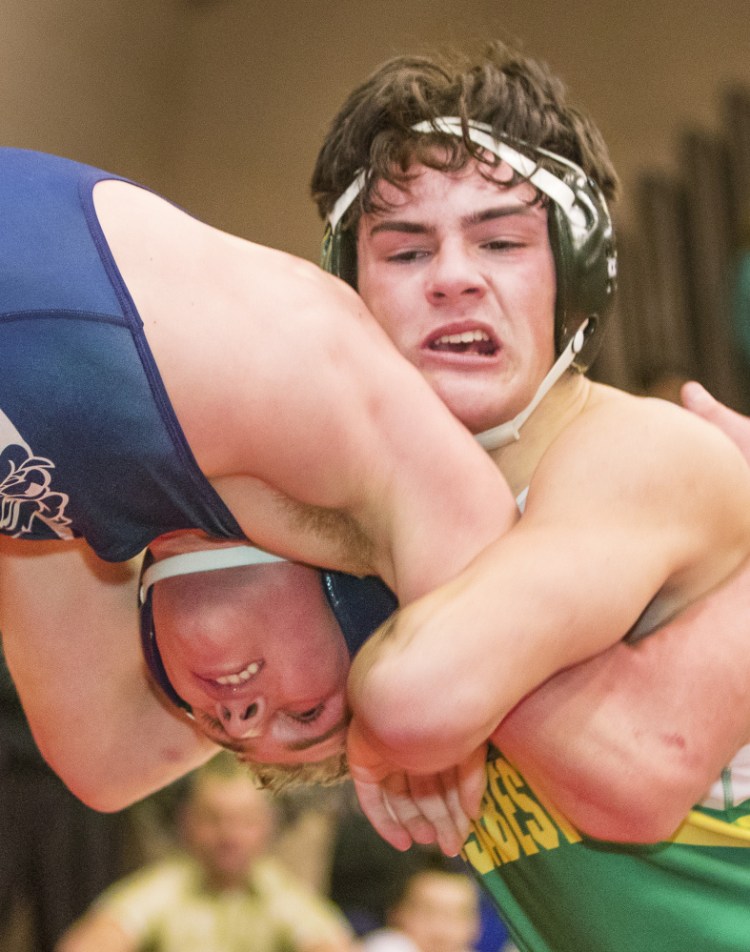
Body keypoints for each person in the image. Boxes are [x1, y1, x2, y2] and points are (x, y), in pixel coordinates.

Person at [302, 42, 750, 950]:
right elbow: (112, 757)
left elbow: (422, 694)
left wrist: (379, 728)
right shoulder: (355, 507)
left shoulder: (640, 453)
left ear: (577, 280)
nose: (454, 277)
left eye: (502, 242)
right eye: (404, 248)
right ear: (349, 292)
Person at [0, 144, 517, 812]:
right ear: (375, 612)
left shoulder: (74, 517)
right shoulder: (316, 385)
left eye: (228, 732)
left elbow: (108, 763)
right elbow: (499, 555)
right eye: (305, 715)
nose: (239, 720)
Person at [54, 755, 355, 952]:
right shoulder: (166, 886)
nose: (229, 836)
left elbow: (328, 941)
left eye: (244, 821)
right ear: (187, 822)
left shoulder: (282, 894)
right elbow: (93, 940)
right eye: (213, 819)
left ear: (267, 827)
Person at [361, 866, 482, 952]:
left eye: (455, 916)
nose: (441, 928)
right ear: (396, 913)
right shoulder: (387, 945)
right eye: (428, 913)